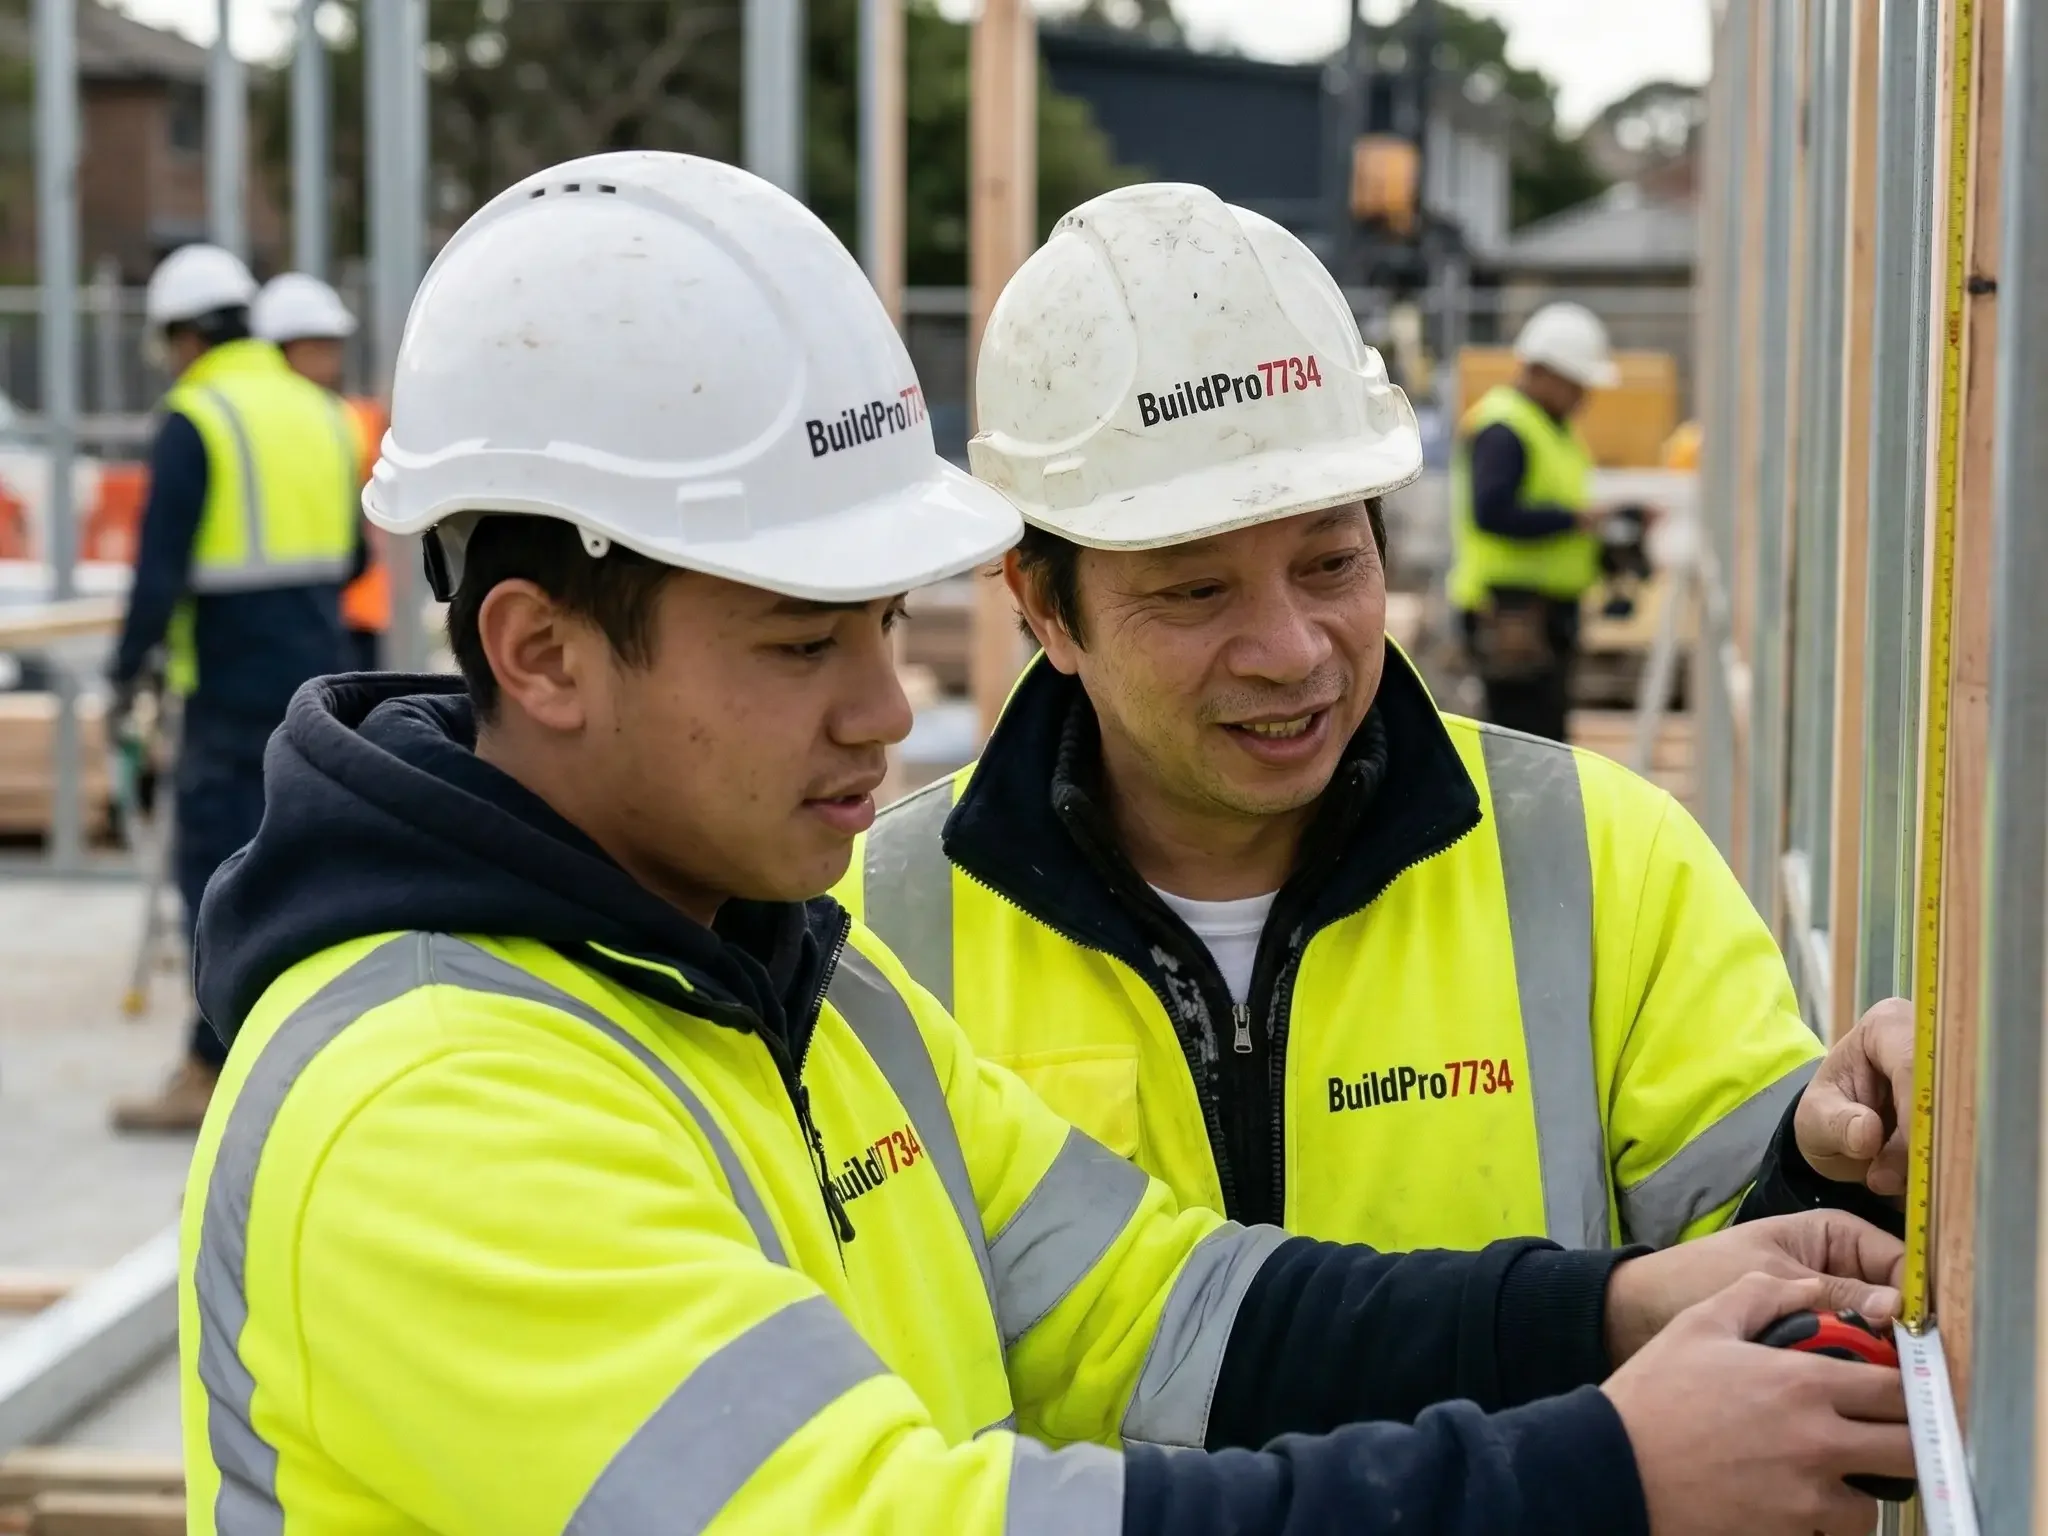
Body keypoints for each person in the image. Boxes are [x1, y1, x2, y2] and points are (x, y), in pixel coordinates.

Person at [178, 153, 1912, 1536]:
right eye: (801, 647)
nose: (885, 709)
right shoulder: (434, 1108)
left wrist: (1618, 1308)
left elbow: (1171, 1314)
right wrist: (1597, 1473)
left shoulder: (794, 989)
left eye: (878, 626)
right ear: (542, 652)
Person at [839, 184, 1911, 1259]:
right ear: (1040, 606)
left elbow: (1768, 1268)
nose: (1294, 649)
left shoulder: (1599, 868)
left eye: (1329, 564)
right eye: (1195, 592)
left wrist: (1837, 1163)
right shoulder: (870, 941)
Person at [107, 244, 361, 1134]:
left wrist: (125, 665)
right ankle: (310, 1051)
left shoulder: (197, 415)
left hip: (226, 682)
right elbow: (355, 553)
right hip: (319, 675)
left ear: (183, 336)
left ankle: (214, 1066)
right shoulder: (321, 411)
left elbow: (160, 567)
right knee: (307, 865)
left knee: (215, 874)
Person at [1446, 300, 1618, 742]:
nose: (1584, 396)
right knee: (1523, 747)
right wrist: (1574, 519)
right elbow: (1492, 512)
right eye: (1577, 383)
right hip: (1511, 615)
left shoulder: (1550, 428)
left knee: (1543, 743)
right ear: (1544, 372)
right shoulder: (1505, 429)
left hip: (1539, 616)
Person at [251, 272, 390, 671]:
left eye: (333, 348)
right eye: (318, 349)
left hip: (356, 612)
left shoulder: (351, 420)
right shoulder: (268, 428)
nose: (330, 362)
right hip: (295, 615)